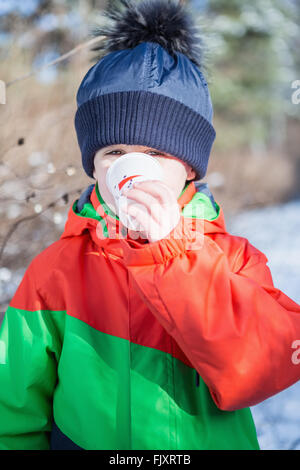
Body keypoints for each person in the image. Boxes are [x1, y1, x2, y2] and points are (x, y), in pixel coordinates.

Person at [0, 0, 300, 451]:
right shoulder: (56, 271)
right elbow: (13, 410)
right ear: (94, 166)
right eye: (114, 153)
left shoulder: (235, 259)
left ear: (191, 169)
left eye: (157, 154)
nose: (134, 168)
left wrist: (172, 252)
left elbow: (261, 368)